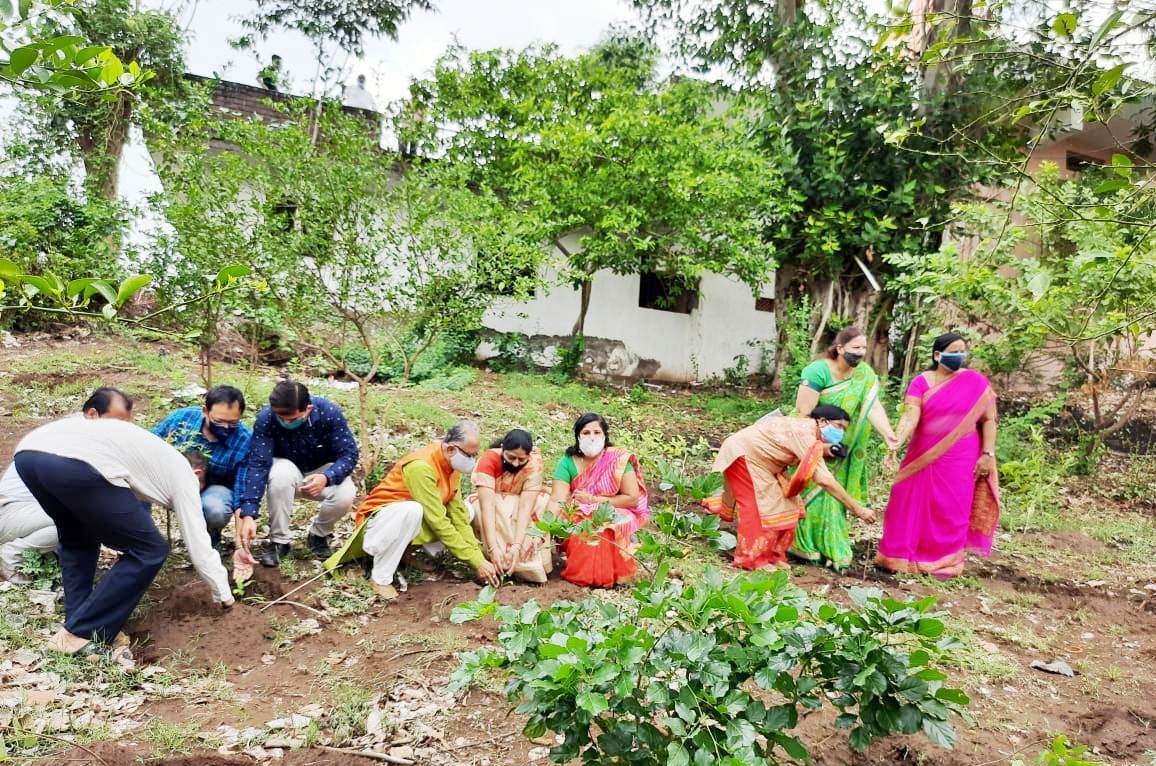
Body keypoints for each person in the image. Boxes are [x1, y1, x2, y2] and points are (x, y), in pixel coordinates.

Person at [13, 418, 234, 655]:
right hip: (75, 462)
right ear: (197, 473)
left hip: (28, 455)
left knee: (78, 539)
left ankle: (80, 625)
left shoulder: (154, 459)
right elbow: (198, 544)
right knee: (149, 550)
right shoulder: (185, 475)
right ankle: (79, 632)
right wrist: (222, 592)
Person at [876, 333, 1000, 578]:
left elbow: (989, 420)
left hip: (961, 458)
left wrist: (987, 453)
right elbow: (911, 414)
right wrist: (897, 439)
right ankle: (900, 557)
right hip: (921, 455)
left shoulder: (975, 382)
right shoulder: (921, 382)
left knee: (952, 506)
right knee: (905, 500)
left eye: (962, 351)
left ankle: (943, 562)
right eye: (954, 351)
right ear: (937, 355)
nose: (959, 356)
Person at [713, 405, 876, 571]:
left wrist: (827, 450)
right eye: (839, 426)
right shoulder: (805, 433)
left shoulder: (809, 432)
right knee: (757, 508)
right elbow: (824, 479)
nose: (841, 432)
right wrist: (858, 510)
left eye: (844, 429)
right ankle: (750, 560)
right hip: (745, 456)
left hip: (766, 465)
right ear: (822, 421)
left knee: (789, 505)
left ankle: (772, 556)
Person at [350, 420, 499, 600]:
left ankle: (411, 555)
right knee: (413, 510)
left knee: (467, 510)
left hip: (408, 520)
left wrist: (478, 557)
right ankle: (380, 578)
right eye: (470, 455)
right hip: (377, 524)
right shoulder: (421, 467)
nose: (472, 461)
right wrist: (476, 561)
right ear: (452, 449)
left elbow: (457, 514)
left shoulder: (452, 465)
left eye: (475, 455)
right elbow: (437, 520)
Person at [791, 327, 899, 570]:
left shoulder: (864, 375)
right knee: (810, 490)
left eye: (863, 348)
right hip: (811, 439)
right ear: (840, 348)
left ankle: (831, 545)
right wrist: (817, 445)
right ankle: (802, 545)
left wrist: (887, 434)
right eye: (855, 348)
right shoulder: (817, 371)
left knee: (834, 498)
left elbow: (872, 406)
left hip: (843, 447)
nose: (860, 353)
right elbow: (803, 412)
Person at [0, 387, 134, 583]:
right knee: (80, 519)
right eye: (117, 423)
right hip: (9, 511)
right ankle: (13, 555)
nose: (121, 430)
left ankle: (44, 553)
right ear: (92, 414)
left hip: (30, 512)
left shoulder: (84, 431)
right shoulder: (74, 439)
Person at [237, 381, 359, 567]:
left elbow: (349, 454)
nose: (286, 422)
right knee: (280, 475)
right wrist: (249, 514)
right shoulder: (267, 418)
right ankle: (279, 541)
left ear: (308, 409)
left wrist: (327, 477)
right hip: (285, 468)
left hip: (321, 468)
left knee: (346, 494)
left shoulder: (329, 413)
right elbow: (258, 464)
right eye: (280, 417)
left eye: (292, 419)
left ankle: (318, 534)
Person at [547, 413, 650, 588]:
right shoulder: (567, 462)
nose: (592, 437)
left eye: (597, 432)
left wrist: (595, 501)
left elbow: (631, 498)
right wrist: (545, 525)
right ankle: (580, 575)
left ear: (605, 436)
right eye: (586, 433)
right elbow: (559, 497)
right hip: (577, 509)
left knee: (603, 522)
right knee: (578, 519)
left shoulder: (617, 460)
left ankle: (612, 575)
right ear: (578, 436)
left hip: (616, 508)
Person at [152, 386, 253, 549]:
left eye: (233, 423)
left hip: (215, 490)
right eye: (219, 421)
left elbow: (242, 491)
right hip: (171, 482)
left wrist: (241, 546)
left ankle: (210, 535)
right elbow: (148, 447)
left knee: (215, 509)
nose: (226, 427)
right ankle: (142, 539)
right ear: (205, 411)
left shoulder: (245, 440)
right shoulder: (182, 420)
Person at [468, 429, 552, 584]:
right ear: (502, 449)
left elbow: (526, 507)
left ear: (528, 456)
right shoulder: (488, 460)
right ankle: (494, 561)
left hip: (521, 507)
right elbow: (487, 506)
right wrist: (493, 548)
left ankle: (524, 564)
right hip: (494, 506)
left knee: (544, 502)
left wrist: (517, 546)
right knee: (491, 506)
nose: (515, 463)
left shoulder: (534, 464)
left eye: (521, 460)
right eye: (511, 457)